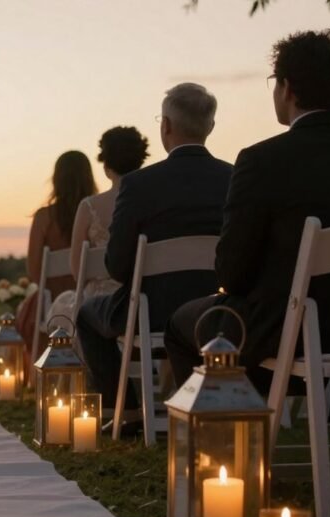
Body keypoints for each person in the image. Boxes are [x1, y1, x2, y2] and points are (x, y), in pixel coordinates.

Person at [165, 31, 330, 423]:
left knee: (185, 324)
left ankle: (220, 445)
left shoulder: (262, 161)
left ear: (287, 88)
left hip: (283, 333)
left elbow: (233, 274)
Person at [76, 83, 232, 415]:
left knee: (87, 316)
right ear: (211, 127)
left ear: (165, 126)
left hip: (152, 312)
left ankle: (127, 413)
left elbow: (117, 265)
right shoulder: (233, 178)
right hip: (218, 312)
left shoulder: (138, 185)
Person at [47, 126, 149, 327]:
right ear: (141, 161)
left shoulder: (89, 206)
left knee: (62, 307)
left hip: (101, 304)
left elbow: (78, 272)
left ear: (105, 165)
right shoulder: (153, 202)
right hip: (145, 303)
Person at [16, 151, 96, 377]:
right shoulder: (96, 215)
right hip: (91, 299)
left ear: (56, 179)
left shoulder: (44, 218)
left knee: (29, 307)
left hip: (52, 303)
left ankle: (43, 372)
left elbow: (34, 272)